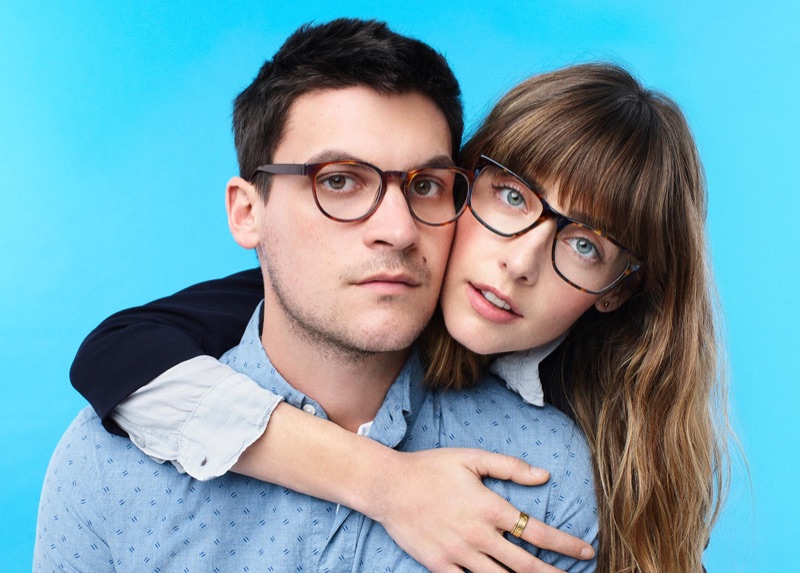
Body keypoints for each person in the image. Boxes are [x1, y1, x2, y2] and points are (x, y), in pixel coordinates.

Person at [66, 56, 730, 573]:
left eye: (585, 245)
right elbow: (118, 355)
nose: (520, 263)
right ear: (461, 187)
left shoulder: (575, 460)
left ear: (618, 290)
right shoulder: (342, 288)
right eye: (511, 198)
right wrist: (388, 484)